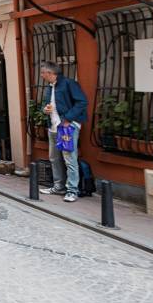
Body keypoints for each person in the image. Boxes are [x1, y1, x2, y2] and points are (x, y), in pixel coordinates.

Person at [38, 61, 88, 202]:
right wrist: (45, 109)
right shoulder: (49, 87)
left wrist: (68, 119)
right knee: (54, 158)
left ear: (50, 73)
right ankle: (58, 186)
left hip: (67, 127)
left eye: (43, 73)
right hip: (53, 127)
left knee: (69, 159)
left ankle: (72, 190)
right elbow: (45, 105)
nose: (41, 75)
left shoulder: (69, 83)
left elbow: (82, 102)